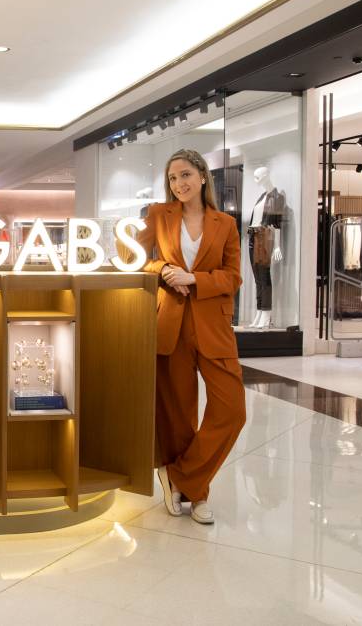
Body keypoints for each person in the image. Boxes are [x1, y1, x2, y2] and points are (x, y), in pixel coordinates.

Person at [136, 149, 246, 524]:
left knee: (232, 411)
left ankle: (180, 476)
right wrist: (164, 267)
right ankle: (197, 495)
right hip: (171, 326)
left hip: (213, 325)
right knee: (180, 416)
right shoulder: (158, 216)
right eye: (172, 179)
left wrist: (195, 278)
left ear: (202, 176)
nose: (179, 184)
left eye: (184, 175)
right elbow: (133, 256)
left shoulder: (225, 224)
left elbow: (233, 277)